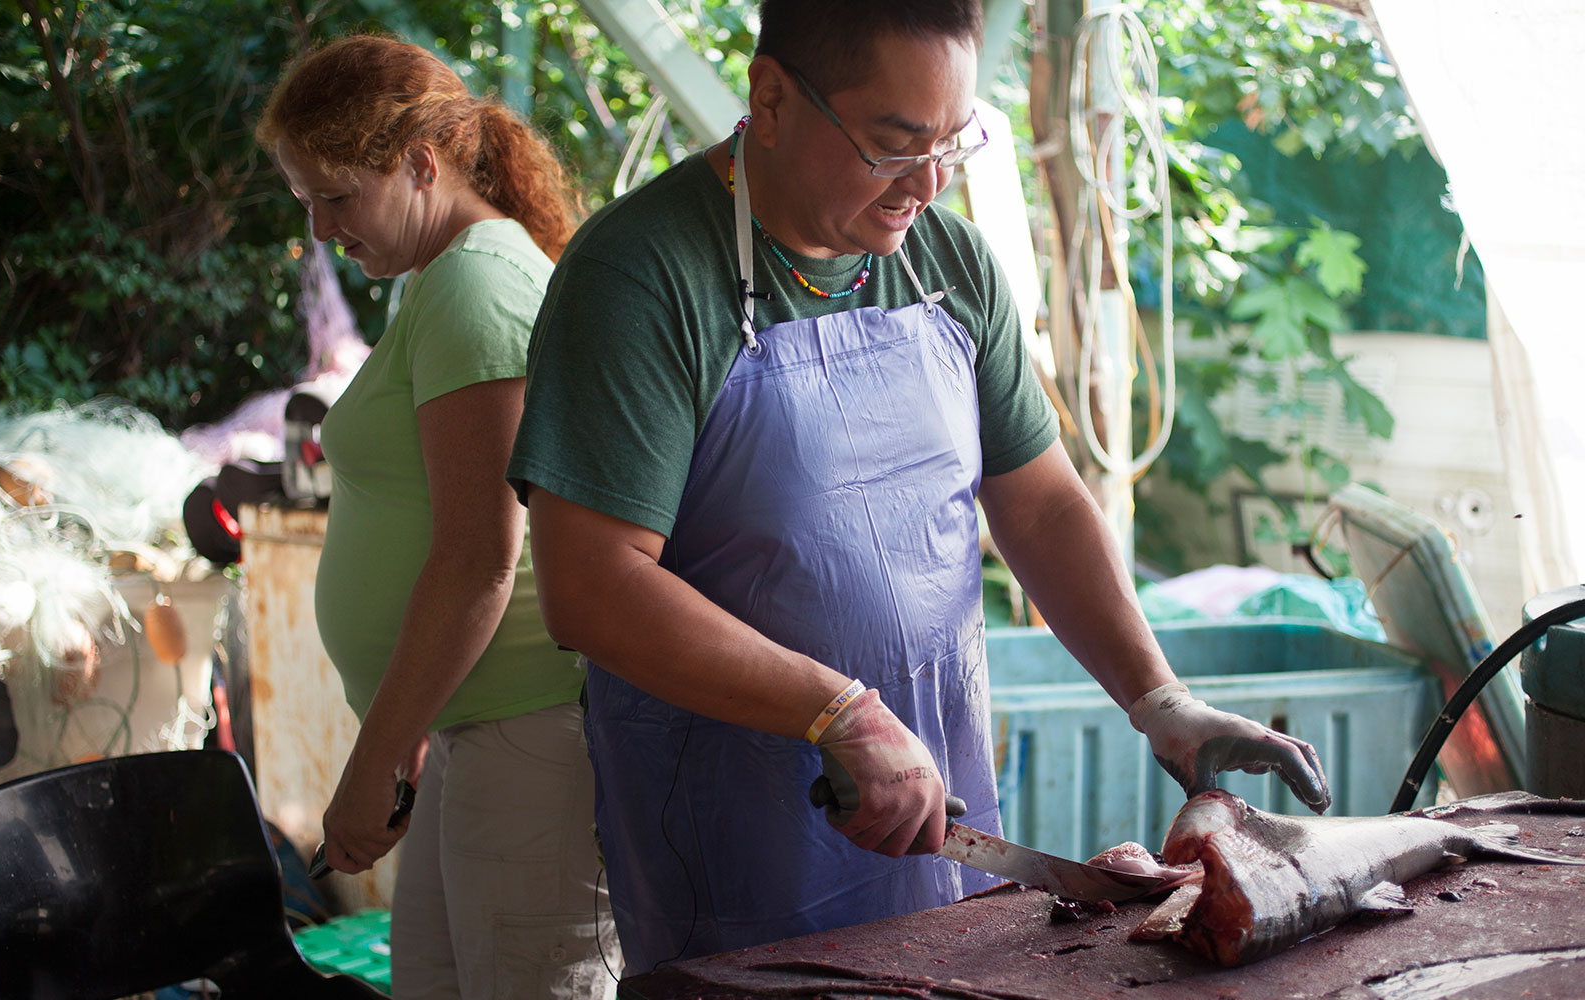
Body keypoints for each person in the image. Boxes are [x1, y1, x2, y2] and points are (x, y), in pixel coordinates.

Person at [507, 0, 1330, 975]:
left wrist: (1156, 697)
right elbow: (593, 585)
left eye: (952, 141)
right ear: (768, 99)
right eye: (894, 145)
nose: (928, 183)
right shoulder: (640, 276)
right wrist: (837, 712)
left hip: (939, 820)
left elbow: (1042, 499)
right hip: (734, 848)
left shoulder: (947, 262)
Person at [255, 34, 620, 999]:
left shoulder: (474, 281)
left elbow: (479, 557)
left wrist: (373, 765)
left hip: (528, 734)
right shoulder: (442, 277)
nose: (325, 229)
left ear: (422, 164)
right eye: (307, 203)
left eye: (338, 196)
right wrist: (406, 731)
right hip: (476, 727)